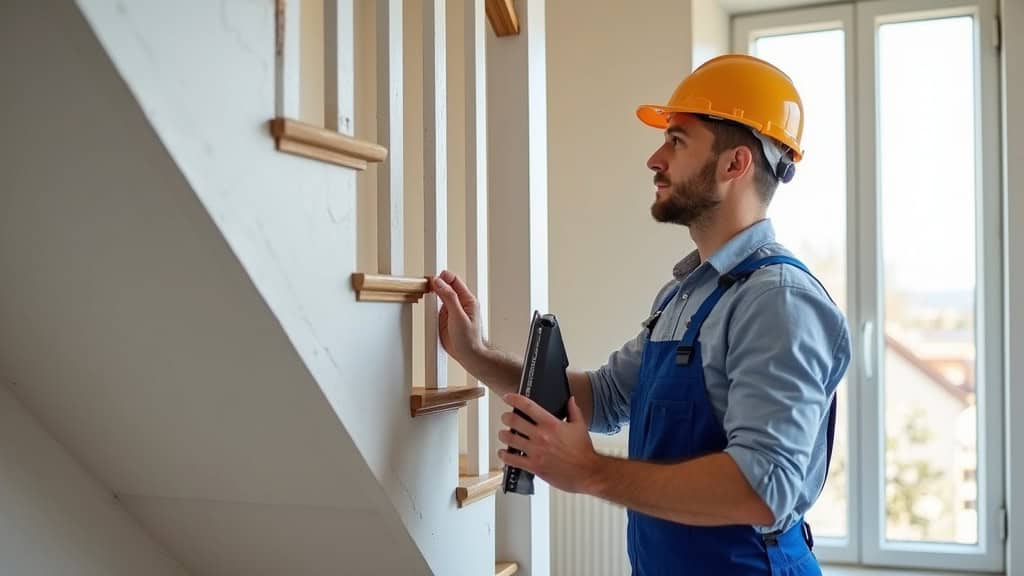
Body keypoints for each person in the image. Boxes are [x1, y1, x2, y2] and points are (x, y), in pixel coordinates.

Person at [431, 54, 851, 576]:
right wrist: (474, 352)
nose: (655, 158)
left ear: (734, 164)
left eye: (677, 140)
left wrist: (588, 472)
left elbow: (762, 485)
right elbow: (602, 398)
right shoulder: (684, 295)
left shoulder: (777, 300)